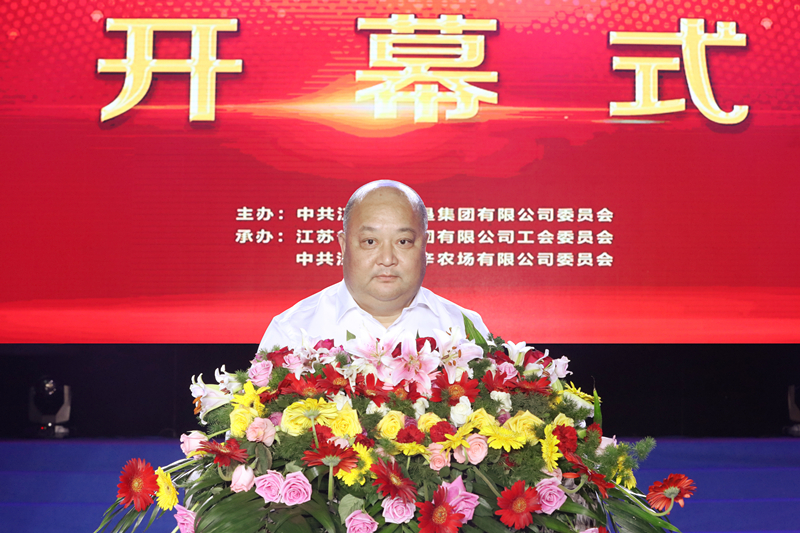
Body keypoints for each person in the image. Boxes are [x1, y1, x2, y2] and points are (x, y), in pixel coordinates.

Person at [257, 180, 490, 352]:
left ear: (424, 246)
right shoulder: (292, 332)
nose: (387, 259)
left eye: (403, 242)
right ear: (343, 246)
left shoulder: (465, 330)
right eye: (370, 242)